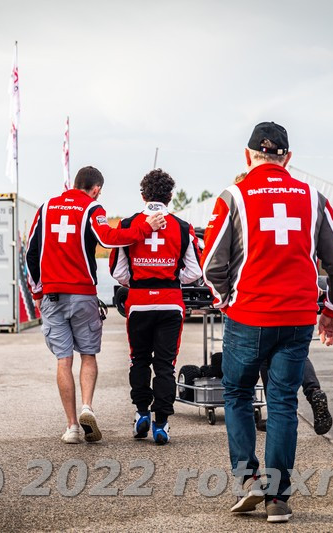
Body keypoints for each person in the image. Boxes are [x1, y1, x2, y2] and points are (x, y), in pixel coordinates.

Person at [201, 122, 333, 522]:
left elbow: (211, 265)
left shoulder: (233, 196)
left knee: (236, 394)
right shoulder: (312, 198)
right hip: (297, 317)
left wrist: (225, 301)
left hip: (248, 315)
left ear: (248, 155)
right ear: (287, 158)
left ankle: (248, 480)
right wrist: (332, 314)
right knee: (283, 401)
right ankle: (278, 498)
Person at [26, 166, 166, 444]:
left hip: (52, 295)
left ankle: (71, 427)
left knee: (63, 360)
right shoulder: (92, 208)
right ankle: (87, 408)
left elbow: (30, 251)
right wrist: (144, 227)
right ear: (96, 189)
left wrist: (37, 292)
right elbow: (108, 239)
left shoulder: (46, 208)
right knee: (87, 355)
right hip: (82, 295)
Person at [234, 173, 333, 436]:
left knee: (264, 359)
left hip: (260, 303)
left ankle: (274, 413)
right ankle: (313, 391)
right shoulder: (303, 209)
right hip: (300, 299)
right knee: (296, 353)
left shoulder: (247, 213)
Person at [109, 169, 202, 445]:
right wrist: (171, 278)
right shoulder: (183, 227)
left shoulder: (128, 225)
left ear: (142, 195)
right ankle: (161, 424)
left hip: (139, 304)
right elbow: (194, 271)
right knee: (165, 366)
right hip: (170, 304)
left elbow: (117, 271)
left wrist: (139, 280)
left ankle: (141, 414)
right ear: (171, 196)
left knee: (139, 360)